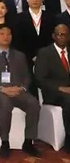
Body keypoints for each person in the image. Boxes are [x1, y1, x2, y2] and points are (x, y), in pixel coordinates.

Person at [0, 24, 41, 158]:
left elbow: (27, 77)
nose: (5, 37)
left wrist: (22, 88)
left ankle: (28, 142)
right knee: (4, 102)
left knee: (33, 103)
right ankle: (5, 142)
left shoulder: (19, 55)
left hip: (18, 91)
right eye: (2, 34)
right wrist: (2, 89)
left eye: (8, 34)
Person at [13, 0, 55, 95]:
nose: (35, 0)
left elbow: (52, 38)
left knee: (48, 86)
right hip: (26, 58)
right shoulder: (19, 18)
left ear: (42, 0)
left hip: (47, 57)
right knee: (31, 88)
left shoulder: (50, 17)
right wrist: (32, 55)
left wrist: (42, 55)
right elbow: (17, 41)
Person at [35, 24, 70, 153]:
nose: (62, 37)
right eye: (60, 34)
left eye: (65, 34)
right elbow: (40, 79)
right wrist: (61, 88)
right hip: (53, 93)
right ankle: (69, 140)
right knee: (68, 100)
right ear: (53, 36)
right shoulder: (45, 53)